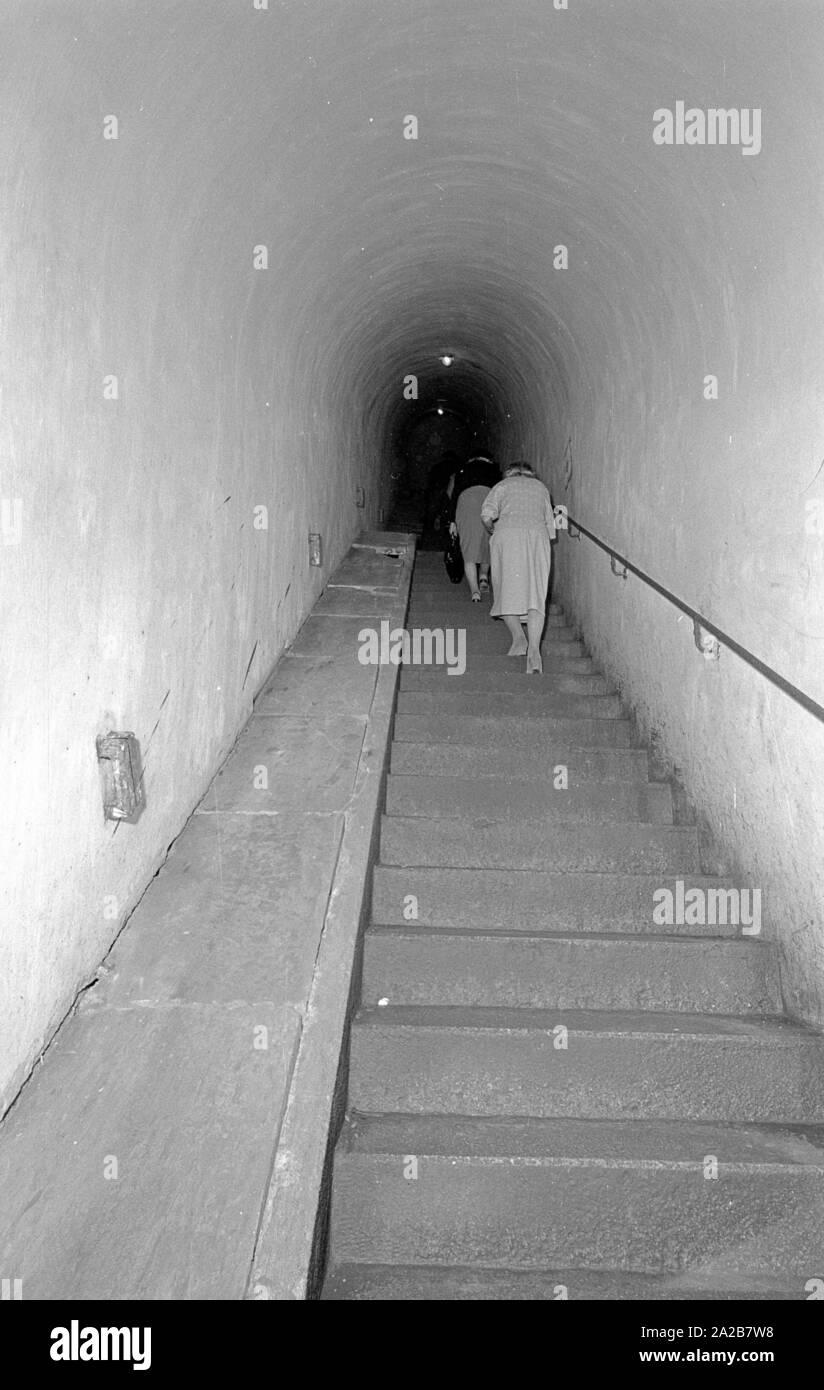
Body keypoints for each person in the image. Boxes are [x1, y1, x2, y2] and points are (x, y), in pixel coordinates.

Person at [481, 461, 557, 673]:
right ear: (530, 474)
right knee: (536, 592)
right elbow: (551, 529)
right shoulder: (541, 488)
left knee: (506, 588)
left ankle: (518, 638)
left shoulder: (502, 486)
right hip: (536, 538)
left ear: (510, 473)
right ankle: (534, 653)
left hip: (507, 536)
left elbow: (486, 515)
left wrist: (493, 529)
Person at [448, 454, 498, 601]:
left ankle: (475, 591)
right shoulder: (494, 469)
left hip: (466, 500)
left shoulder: (463, 470)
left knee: (468, 546)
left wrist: (452, 520)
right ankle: (483, 577)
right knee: (488, 540)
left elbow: (455, 494)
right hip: (489, 497)